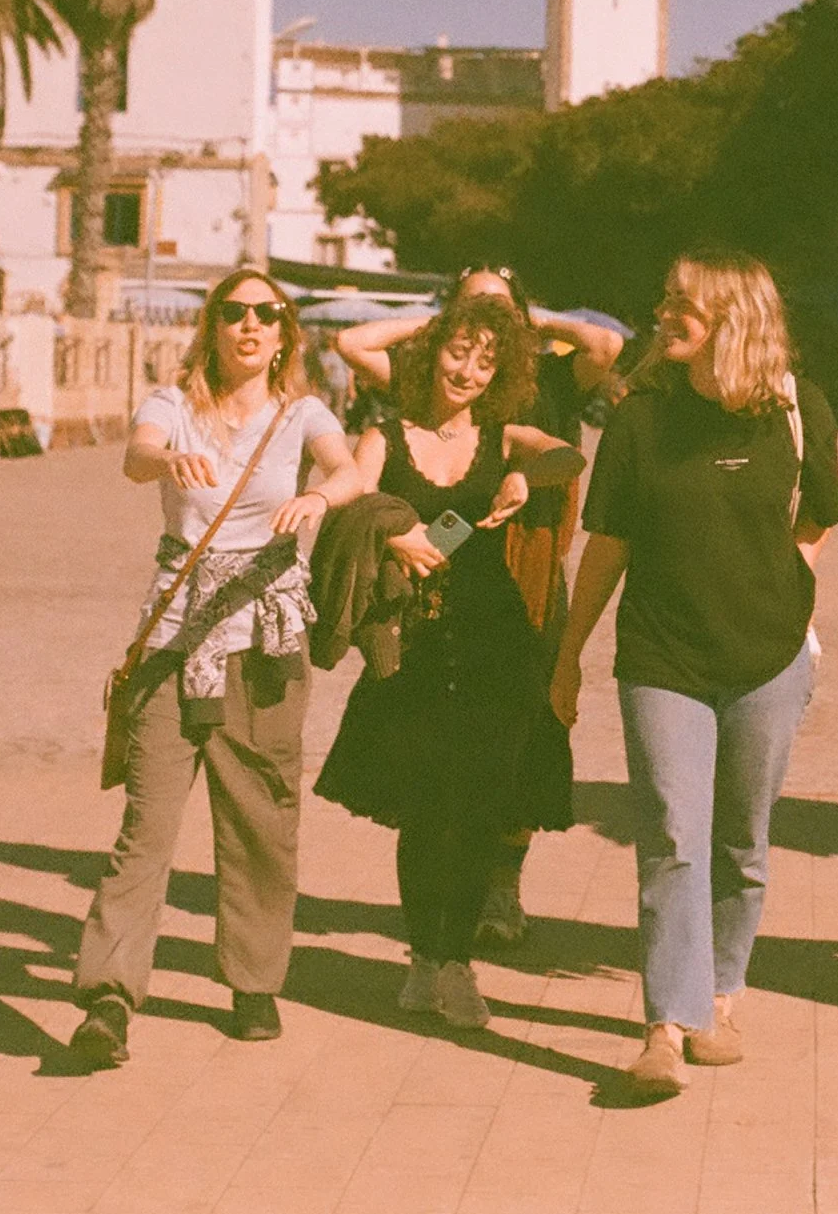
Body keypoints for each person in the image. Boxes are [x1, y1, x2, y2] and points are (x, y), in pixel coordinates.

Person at [553, 251, 838, 1102]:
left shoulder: (797, 411)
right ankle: (665, 1028)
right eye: (666, 297)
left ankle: (719, 994)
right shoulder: (640, 418)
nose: (665, 312)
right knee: (675, 835)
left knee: (742, 842)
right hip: (662, 658)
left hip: (768, 661)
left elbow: (821, 508)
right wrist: (569, 652)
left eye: (686, 302)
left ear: (735, 315)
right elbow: (607, 542)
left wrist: (785, 586)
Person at [68, 271, 367, 1066]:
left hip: (264, 642)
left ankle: (254, 980)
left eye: (265, 314)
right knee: (147, 824)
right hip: (173, 636)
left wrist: (322, 500)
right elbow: (134, 455)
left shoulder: (302, 412)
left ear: (283, 335)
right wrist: (167, 460)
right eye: (233, 312)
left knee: (263, 817)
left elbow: (350, 468)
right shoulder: (172, 403)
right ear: (214, 326)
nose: (249, 324)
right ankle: (107, 995)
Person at [313, 295, 582, 1030]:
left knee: (479, 809)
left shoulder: (502, 436)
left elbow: (569, 453)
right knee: (426, 810)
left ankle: (457, 961)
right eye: (457, 351)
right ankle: (423, 959)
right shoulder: (385, 434)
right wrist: (395, 531)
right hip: (414, 647)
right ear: (431, 352)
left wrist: (528, 478)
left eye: (485, 360)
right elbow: (350, 502)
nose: (467, 370)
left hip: (495, 644)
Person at [336, 269, 623, 946]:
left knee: (529, 724)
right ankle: (443, 896)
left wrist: (522, 322)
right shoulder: (432, 377)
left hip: (530, 562)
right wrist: (446, 324)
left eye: (497, 305)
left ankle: (502, 880)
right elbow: (354, 343)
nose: (476, 339)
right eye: (469, 304)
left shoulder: (546, 379)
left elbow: (605, 345)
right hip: (450, 548)